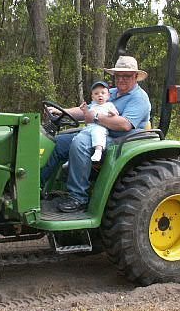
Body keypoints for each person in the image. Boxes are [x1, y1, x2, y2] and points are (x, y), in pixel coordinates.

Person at [40, 56, 151, 213]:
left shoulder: (139, 98)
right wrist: (61, 111)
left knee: (80, 143)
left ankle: (78, 197)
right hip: (97, 132)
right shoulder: (110, 92)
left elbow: (125, 124)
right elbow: (87, 111)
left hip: (122, 141)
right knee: (57, 142)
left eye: (126, 76)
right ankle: (37, 186)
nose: (121, 80)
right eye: (118, 76)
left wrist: (96, 118)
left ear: (135, 77)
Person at [82, 81, 119, 162]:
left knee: (98, 133)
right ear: (92, 97)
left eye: (103, 93)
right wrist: (85, 111)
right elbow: (87, 119)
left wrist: (112, 113)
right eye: (96, 94)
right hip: (90, 127)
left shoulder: (109, 105)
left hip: (101, 127)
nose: (100, 95)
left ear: (108, 96)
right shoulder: (92, 106)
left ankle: (98, 151)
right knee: (78, 136)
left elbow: (116, 116)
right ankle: (72, 159)